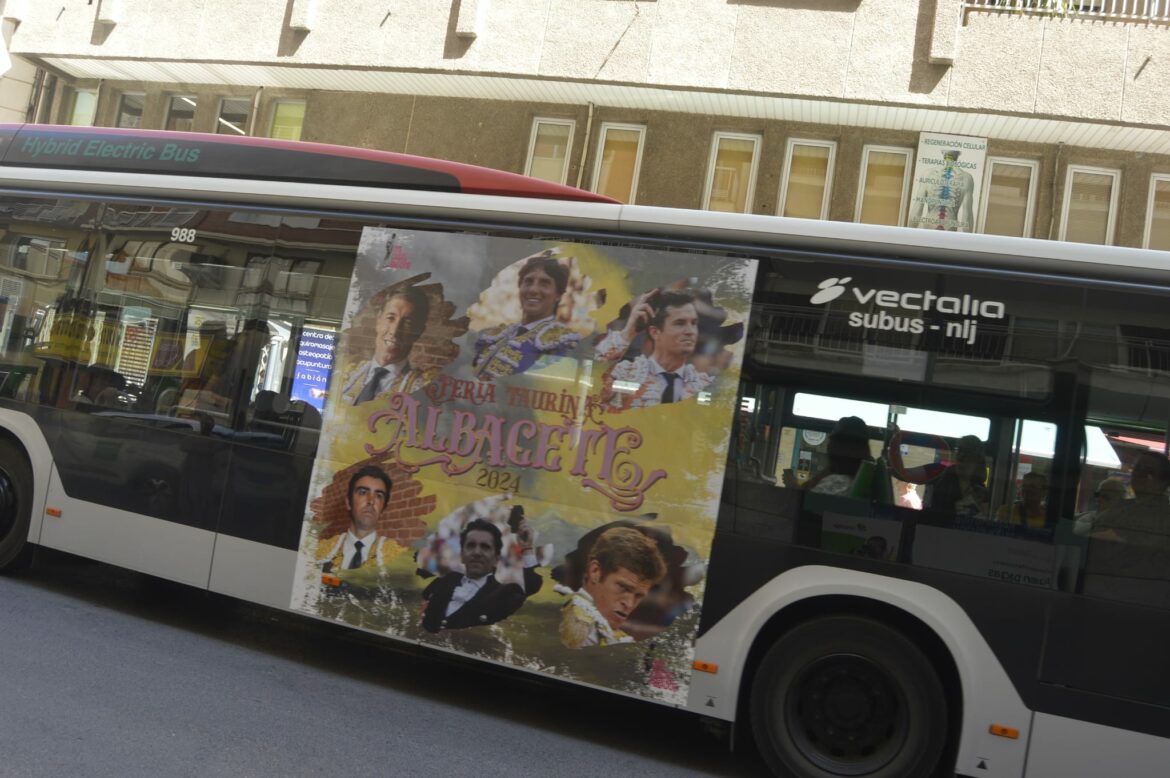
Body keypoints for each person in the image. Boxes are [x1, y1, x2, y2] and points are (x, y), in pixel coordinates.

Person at [472, 250, 581, 380]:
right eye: (528, 282)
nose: (533, 290)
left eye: (544, 283)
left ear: (558, 295)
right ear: (520, 288)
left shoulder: (559, 342)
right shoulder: (499, 334)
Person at [420, 518, 542, 632]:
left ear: (496, 559)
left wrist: (527, 548)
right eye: (471, 546)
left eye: (485, 547)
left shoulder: (504, 592)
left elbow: (530, 585)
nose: (477, 552)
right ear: (462, 555)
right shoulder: (445, 581)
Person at [597, 289, 711, 410]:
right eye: (680, 323)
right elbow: (591, 376)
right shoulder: (626, 373)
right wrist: (629, 331)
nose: (690, 331)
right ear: (655, 332)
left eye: (694, 323)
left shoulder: (702, 384)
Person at [559, 526, 668, 649]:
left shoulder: (618, 639)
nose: (629, 604)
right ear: (595, 572)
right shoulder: (559, 619)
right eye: (623, 587)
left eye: (638, 596)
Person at [339, 287, 436, 405]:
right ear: (379, 320)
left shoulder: (420, 388)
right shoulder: (348, 374)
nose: (395, 331)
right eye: (390, 318)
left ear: (419, 331)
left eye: (407, 323)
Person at [315, 465, 406, 574]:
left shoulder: (397, 559)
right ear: (348, 503)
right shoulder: (320, 551)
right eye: (363, 492)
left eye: (379, 495)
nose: (371, 501)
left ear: (383, 508)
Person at [890, 433, 989, 520]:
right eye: (959, 450)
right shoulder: (939, 471)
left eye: (968, 452)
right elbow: (902, 474)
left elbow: (981, 523)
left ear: (977, 458)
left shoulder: (980, 491)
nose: (961, 456)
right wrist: (894, 446)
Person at [782, 416, 873, 496]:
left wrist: (792, 486)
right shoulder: (857, 478)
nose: (828, 446)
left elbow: (802, 503)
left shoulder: (837, 482)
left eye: (832, 439)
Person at [909, 148, 975, 232]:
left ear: (943, 152)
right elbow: (967, 215)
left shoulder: (928, 174)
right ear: (958, 155)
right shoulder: (967, 178)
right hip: (949, 229)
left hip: (930, 227)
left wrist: (909, 235)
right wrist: (968, 241)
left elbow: (918, 207)